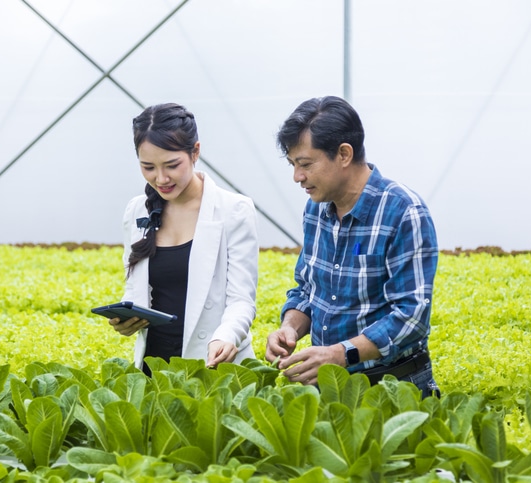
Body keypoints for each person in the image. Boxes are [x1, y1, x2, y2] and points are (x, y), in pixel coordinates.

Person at [265, 96, 440, 398]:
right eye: (293, 164)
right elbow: (307, 290)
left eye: (305, 164)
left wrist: (338, 354)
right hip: (329, 388)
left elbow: (411, 317)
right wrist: (290, 327)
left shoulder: (402, 211)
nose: (297, 177)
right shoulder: (315, 210)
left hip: (392, 389)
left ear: (344, 154)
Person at [109, 102, 259, 375]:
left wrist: (226, 335)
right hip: (152, 368)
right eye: (148, 167)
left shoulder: (233, 210)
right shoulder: (137, 210)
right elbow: (135, 287)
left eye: (172, 165)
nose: (161, 178)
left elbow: (241, 299)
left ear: (195, 152)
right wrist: (127, 318)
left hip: (214, 363)